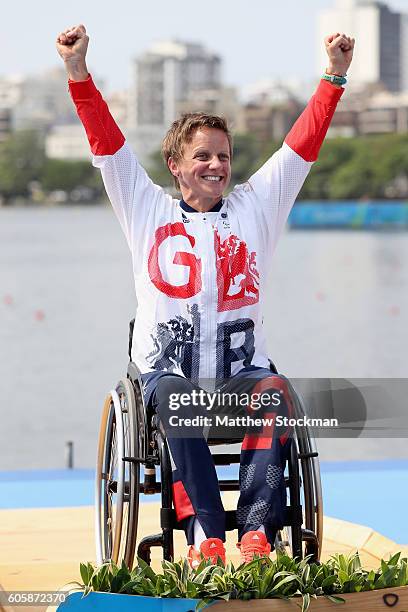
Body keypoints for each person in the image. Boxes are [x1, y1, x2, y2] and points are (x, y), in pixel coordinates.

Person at [56, 25, 354, 566]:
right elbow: (106, 144)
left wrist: (333, 76)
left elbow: (301, 149)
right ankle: (204, 536)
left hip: (240, 375)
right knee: (177, 400)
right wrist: (78, 72)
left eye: (224, 155)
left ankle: (259, 533)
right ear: (176, 166)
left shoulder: (256, 207)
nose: (217, 165)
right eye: (203, 157)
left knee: (276, 392)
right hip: (169, 377)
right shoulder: (146, 209)